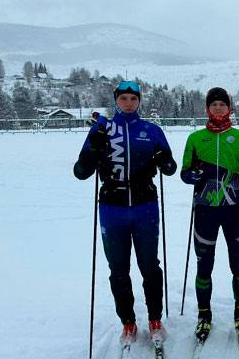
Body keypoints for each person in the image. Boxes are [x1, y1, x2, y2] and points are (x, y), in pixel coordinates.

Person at [73, 80, 177, 344]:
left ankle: (155, 319)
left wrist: (163, 159)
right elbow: (81, 172)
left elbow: (170, 167)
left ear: (139, 101)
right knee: (118, 269)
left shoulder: (151, 130)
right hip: (112, 209)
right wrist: (94, 148)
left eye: (133, 99)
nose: (128, 103)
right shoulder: (103, 129)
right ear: (116, 101)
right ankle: (128, 323)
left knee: (150, 267)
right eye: (123, 99)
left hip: (145, 208)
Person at [180, 88, 239, 340]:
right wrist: (190, 175)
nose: (217, 108)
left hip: (233, 210)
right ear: (207, 108)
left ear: (229, 109)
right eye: (213, 104)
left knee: (238, 263)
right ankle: (204, 315)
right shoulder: (195, 138)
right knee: (204, 265)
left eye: (222, 105)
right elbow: (184, 172)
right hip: (205, 211)